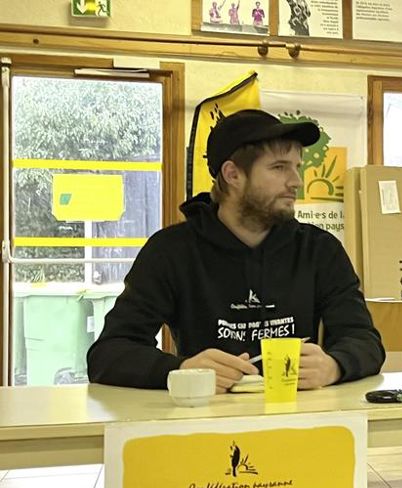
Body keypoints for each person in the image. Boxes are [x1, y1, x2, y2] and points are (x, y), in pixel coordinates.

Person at [87, 109, 385, 391]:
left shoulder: (319, 250)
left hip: (299, 420)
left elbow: (365, 340)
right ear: (232, 175)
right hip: (205, 424)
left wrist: (334, 366)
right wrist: (181, 369)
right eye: (279, 167)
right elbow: (108, 354)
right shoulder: (171, 251)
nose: (297, 181)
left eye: (297, 167)